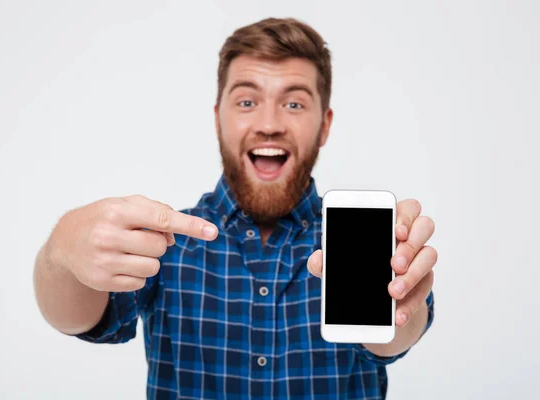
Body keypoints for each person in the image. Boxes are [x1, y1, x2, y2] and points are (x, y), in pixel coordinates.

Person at [33, 17, 437, 399]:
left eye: (294, 104)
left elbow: (396, 338)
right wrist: (64, 251)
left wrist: (400, 298)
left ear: (325, 125)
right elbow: (78, 318)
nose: (269, 124)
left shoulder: (372, 246)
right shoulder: (168, 242)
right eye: (246, 102)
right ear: (217, 119)